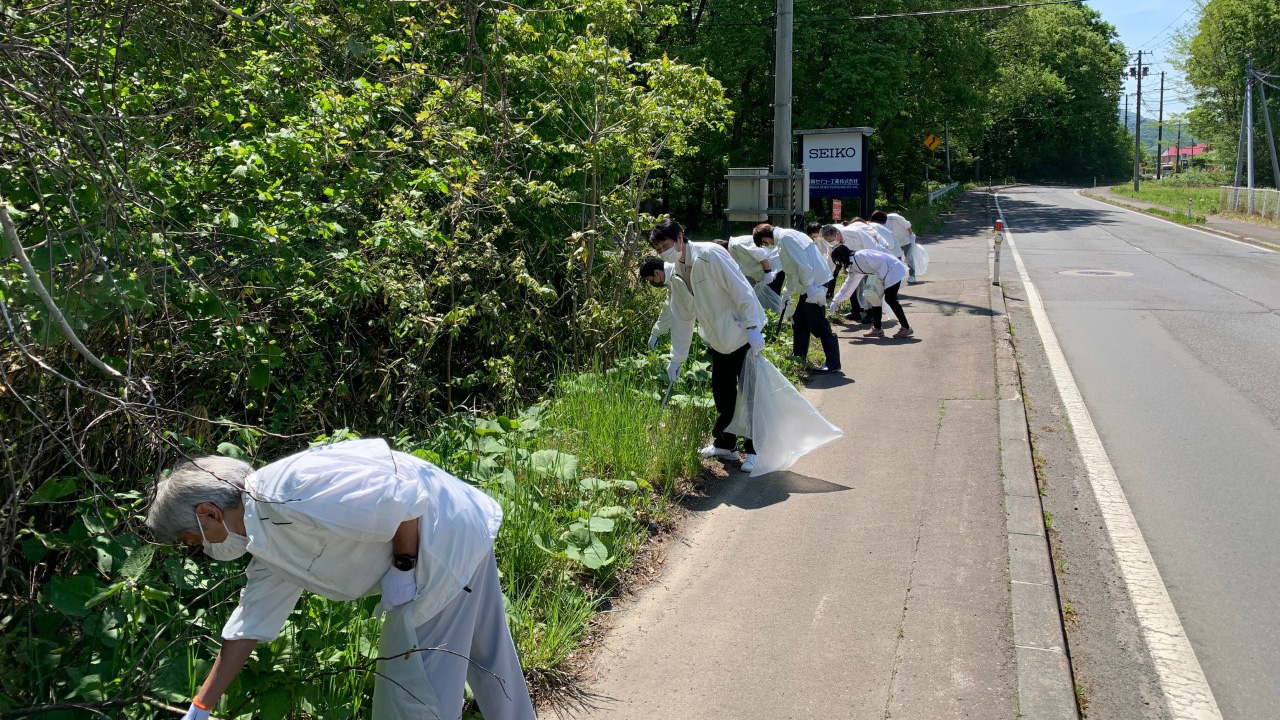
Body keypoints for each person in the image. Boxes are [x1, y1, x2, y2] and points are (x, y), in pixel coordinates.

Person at [144, 439, 535, 720]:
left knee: (411, 697)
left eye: (191, 539)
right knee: (490, 656)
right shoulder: (264, 535)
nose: (199, 547)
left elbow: (403, 498)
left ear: (209, 513)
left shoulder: (288, 493)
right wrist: (201, 705)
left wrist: (403, 567)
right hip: (459, 523)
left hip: (438, 552)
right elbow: (249, 624)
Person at [646, 217, 768, 472]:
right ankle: (726, 445)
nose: (663, 252)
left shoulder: (710, 254)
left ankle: (756, 451)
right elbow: (681, 319)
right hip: (717, 340)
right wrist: (677, 358)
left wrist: (753, 327)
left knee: (750, 395)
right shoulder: (676, 274)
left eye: (665, 245)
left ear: (680, 237)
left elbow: (740, 289)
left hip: (742, 335)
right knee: (723, 393)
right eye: (658, 250)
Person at [751, 223, 841, 374]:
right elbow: (792, 270)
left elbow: (802, 265)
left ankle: (833, 362)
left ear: (766, 237)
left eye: (765, 243)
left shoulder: (786, 239)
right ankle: (798, 356)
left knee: (819, 323)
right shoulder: (786, 236)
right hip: (811, 283)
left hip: (813, 284)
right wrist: (787, 292)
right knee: (799, 321)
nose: (767, 245)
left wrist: (809, 287)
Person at [830, 244, 913, 339]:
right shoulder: (853, 267)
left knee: (890, 298)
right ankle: (877, 329)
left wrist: (882, 281)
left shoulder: (860, 255)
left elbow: (882, 260)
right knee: (873, 298)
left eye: (838, 261)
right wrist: (835, 300)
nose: (839, 264)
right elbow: (848, 286)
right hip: (880, 275)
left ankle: (906, 328)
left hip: (892, 269)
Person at [870, 210, 918, 283]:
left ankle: (912, 276)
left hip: (904, 240)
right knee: (897, 260)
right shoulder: (880, 223)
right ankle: (899, 277)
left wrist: (911, 235)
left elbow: (907, 225)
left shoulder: (896, 218)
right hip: (894, 242)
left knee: (909, 258)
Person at [641, 258, 676, 349]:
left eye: (650, 280)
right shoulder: (670, 281)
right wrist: (655, 333)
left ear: (656, 272)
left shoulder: (677, 274)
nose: (652, 283)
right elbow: (669, 307)